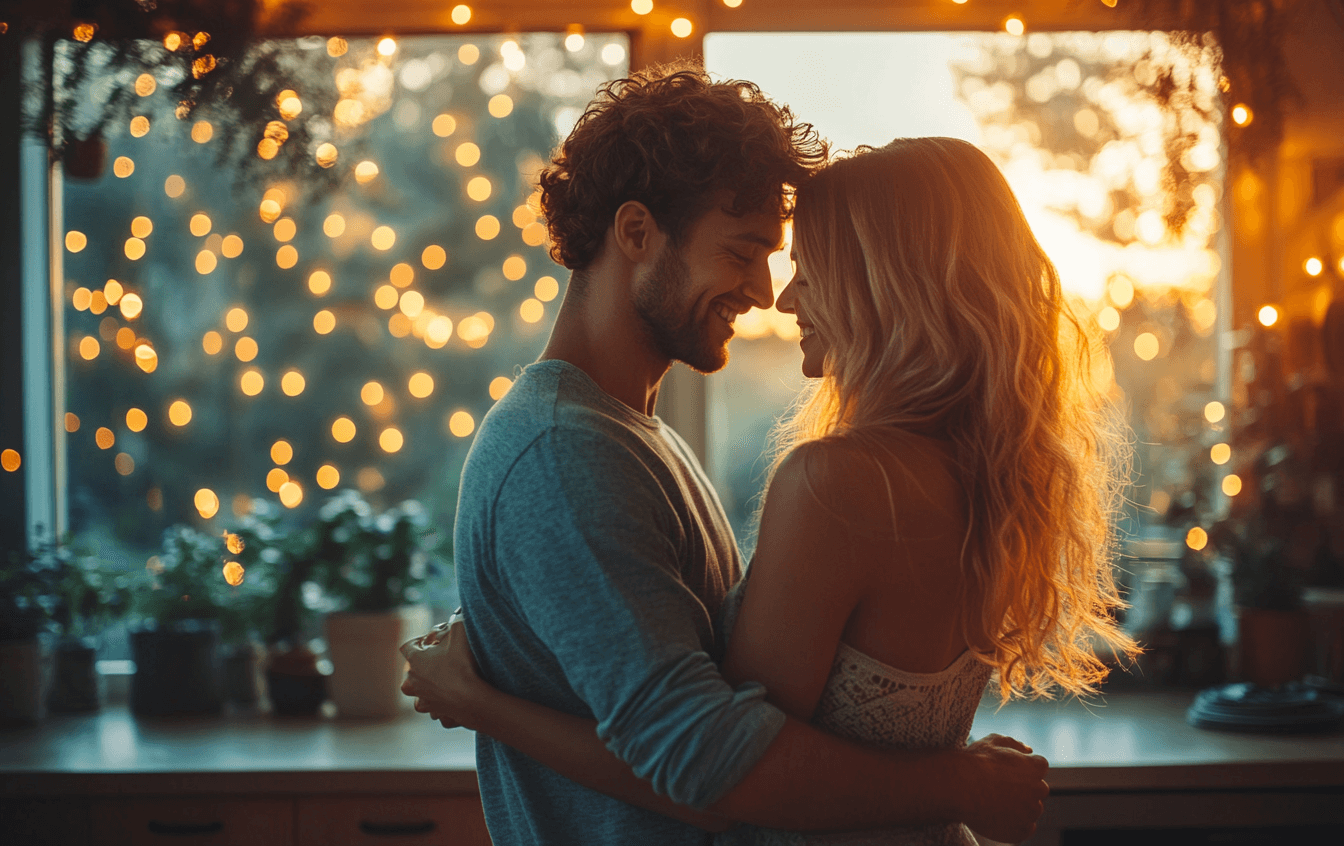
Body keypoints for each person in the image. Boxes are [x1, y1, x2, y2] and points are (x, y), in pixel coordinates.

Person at [403, 69, 1055, 846]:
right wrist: (957, 782)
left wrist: (480, 701)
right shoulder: (562, 452)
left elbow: (714, 751)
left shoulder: (641, 437)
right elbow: (709, 761)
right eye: (744, 252)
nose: (765, 290)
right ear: (638, 232)